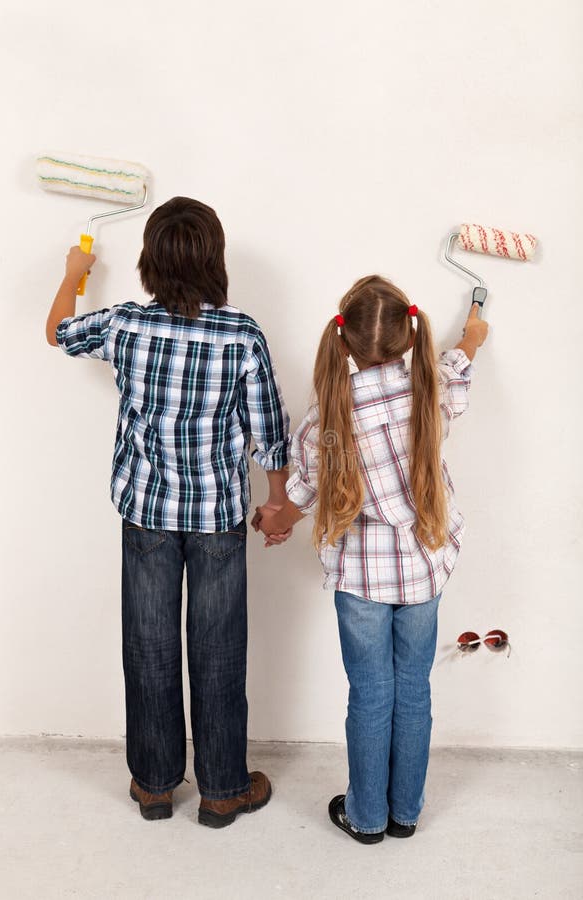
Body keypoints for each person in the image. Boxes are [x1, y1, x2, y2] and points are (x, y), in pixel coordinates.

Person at [46, 197, 290, 826]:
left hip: (146, 517)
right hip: (217, 521)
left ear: (149, 261)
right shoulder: (242, 335)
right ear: (217, 260)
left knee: (149, 647)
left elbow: (59, 333)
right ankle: (222, 790)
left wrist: (76, 271)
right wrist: (280, 503)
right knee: (219, 651)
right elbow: (271, 433)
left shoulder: (127, 324)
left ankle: (154, 785)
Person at [254, 275, 488, 844]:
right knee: (414, 689)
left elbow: (301, 497)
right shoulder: (428, 391)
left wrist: (273, 520)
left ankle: (365, 817)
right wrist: (474, 336)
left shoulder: (325, 423)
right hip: (424, 569)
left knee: (371, 693)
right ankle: (405, 811)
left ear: (343, 339)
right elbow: (456, 368)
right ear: (411, 336)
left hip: (361, 579)